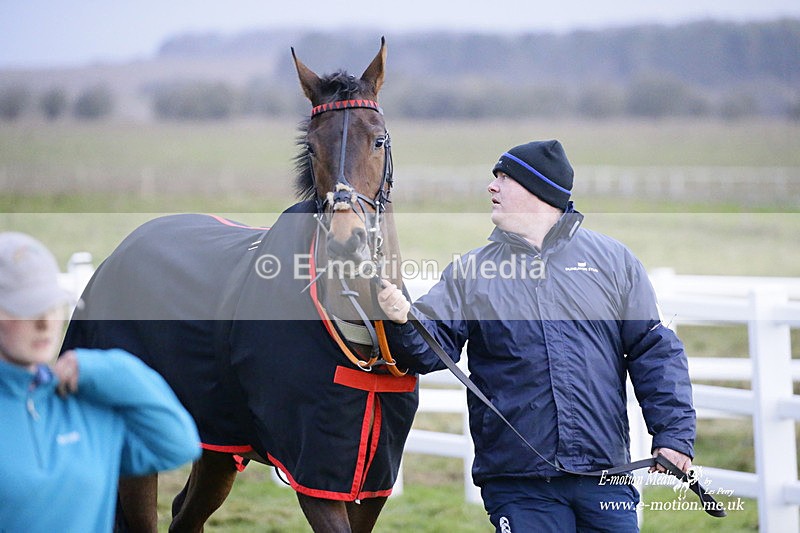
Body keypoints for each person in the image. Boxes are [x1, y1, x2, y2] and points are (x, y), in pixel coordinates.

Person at [377, 140, 696, 532]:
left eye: (504, 178)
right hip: (519, 483)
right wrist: (401, 320)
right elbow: (428, 353)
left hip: (606, 476)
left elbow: (655, 351)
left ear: (538, 191)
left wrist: (674, 435)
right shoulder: (470, 273)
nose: (492, 188)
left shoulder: (614, 263)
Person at [0, 231, 201, 533]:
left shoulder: (84, 405)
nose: (44, 323)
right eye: (25, 309)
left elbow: (178, 443)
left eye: (51, 306)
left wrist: (112, 368)